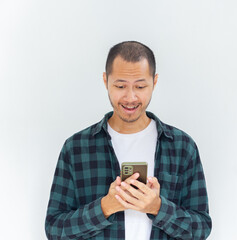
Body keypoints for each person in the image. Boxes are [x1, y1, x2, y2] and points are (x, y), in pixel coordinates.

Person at [45, 41, 212, 239]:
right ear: (106, 81)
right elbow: (55, 230)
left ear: (154, 82)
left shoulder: (182, 147)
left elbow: (201, 228)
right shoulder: (76, 148)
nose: (130, 97)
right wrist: (105, 207)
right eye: (120, 85)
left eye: (140, 86)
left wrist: (157, 207)